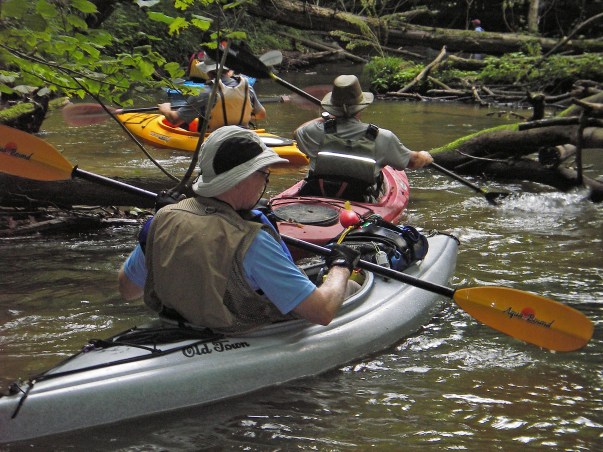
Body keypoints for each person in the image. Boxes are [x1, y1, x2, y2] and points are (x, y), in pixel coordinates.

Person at [118, 126, 361, 334]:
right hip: (240, 336)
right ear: (243, 178)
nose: (265, 183)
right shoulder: (252, 241)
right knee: (351, 288)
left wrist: (152, 235)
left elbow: (128, 290)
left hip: (177, 326)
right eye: (264, 174)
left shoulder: (162, 220)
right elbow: (322, 312)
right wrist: (341, 265)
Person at [293, 75, 433, 200]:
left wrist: (326, 118)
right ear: (362, 107)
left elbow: (298, 132)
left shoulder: (313, 131)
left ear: (331, 107)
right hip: (360, 199)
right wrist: (424, 156)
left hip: (318, 194)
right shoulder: (383, 137)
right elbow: (412, 162)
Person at [158, 58, 266, 132]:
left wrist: (165, 109)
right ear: (228, 70)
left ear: (208, 72)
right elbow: (261, 114)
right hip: (244, 135)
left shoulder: (204, 92)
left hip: (214, 139)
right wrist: (236, 114)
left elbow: (175, 120)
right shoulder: (247, 88)